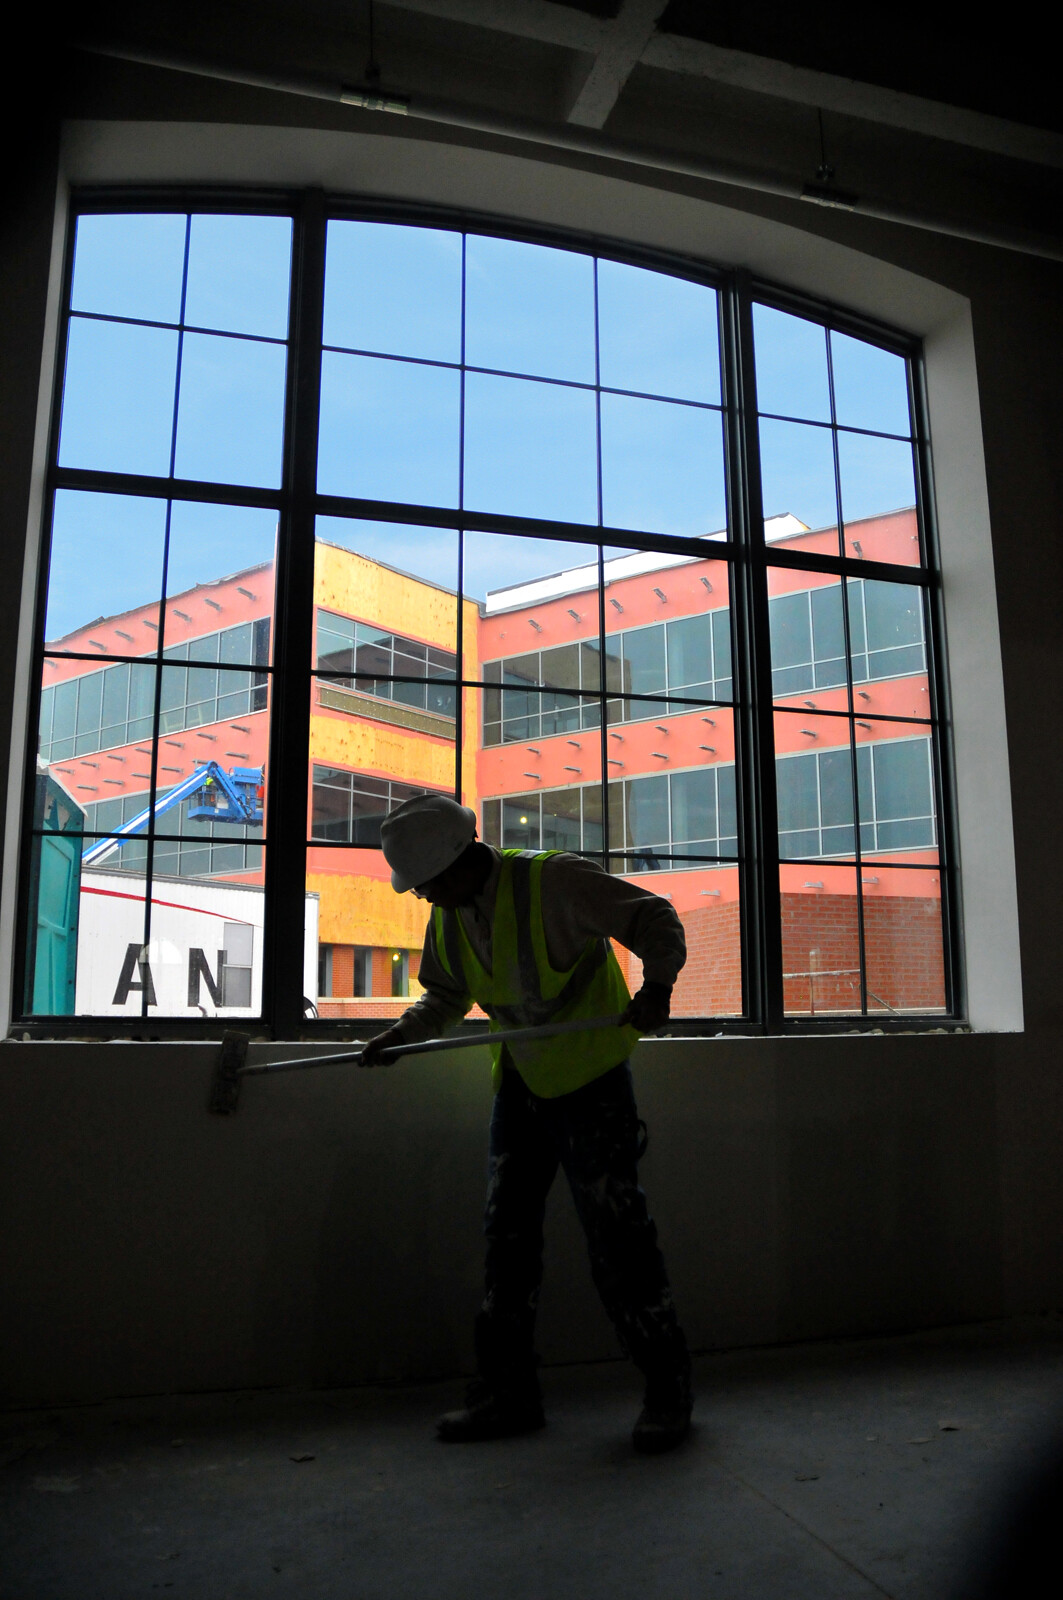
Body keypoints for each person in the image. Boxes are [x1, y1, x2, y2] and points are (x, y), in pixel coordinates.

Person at [360, 793, 693, 1453]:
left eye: (426, 885)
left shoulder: (556, 881)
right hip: (520, 1085)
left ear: (459, 862)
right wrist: (403, 1033)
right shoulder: (451, 914)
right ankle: (506, 1396)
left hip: (593, 1084)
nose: (422, 898)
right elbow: (447, 994)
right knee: (505, 1242)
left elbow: (653, 916)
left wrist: (656, 989)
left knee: (619, 1239)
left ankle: (667, 1392)